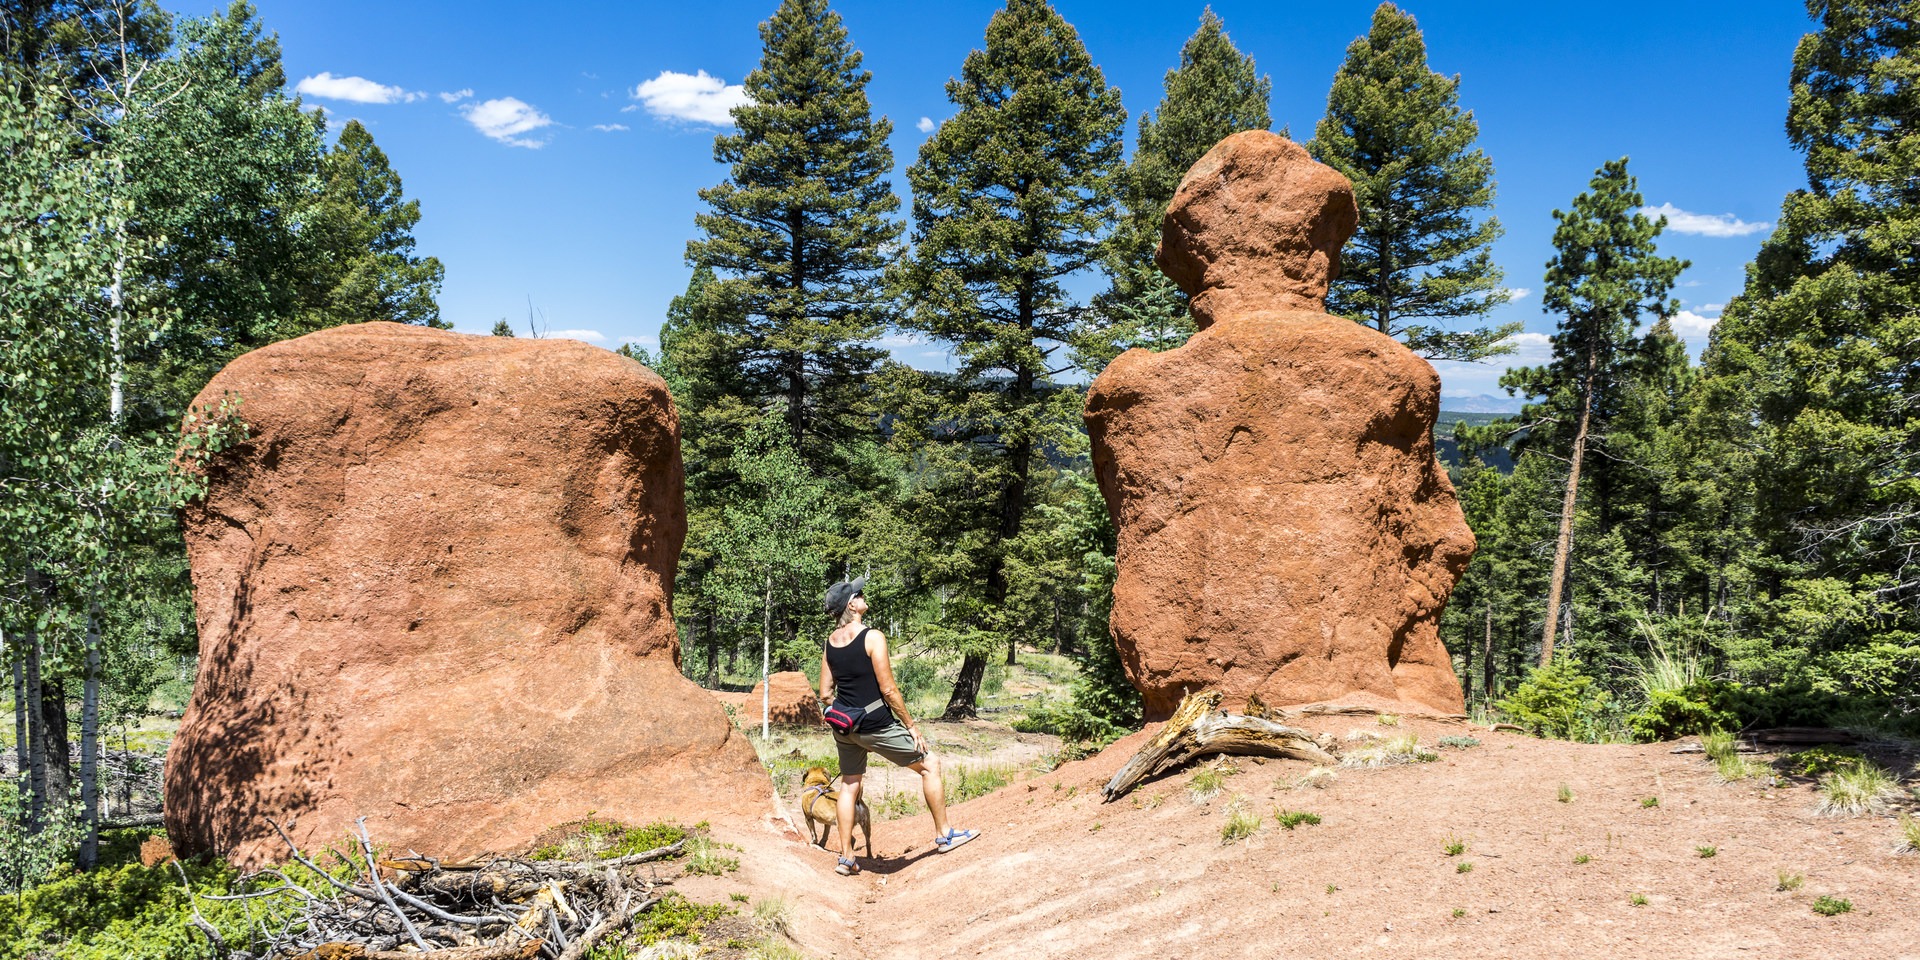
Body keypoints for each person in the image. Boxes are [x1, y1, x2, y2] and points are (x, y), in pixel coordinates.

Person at [818, 576, 978, 875]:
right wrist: (911, 725)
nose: (864, 595)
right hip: (875, 723)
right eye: (859, 594)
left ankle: (846, 858)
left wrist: (843, 710)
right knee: (930, 763)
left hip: (844, 726)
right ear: (852, 605)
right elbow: (889, 689)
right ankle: (946, 835)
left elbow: (826, 693)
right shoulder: (872, 637)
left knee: (849, 785)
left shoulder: (830, 642)